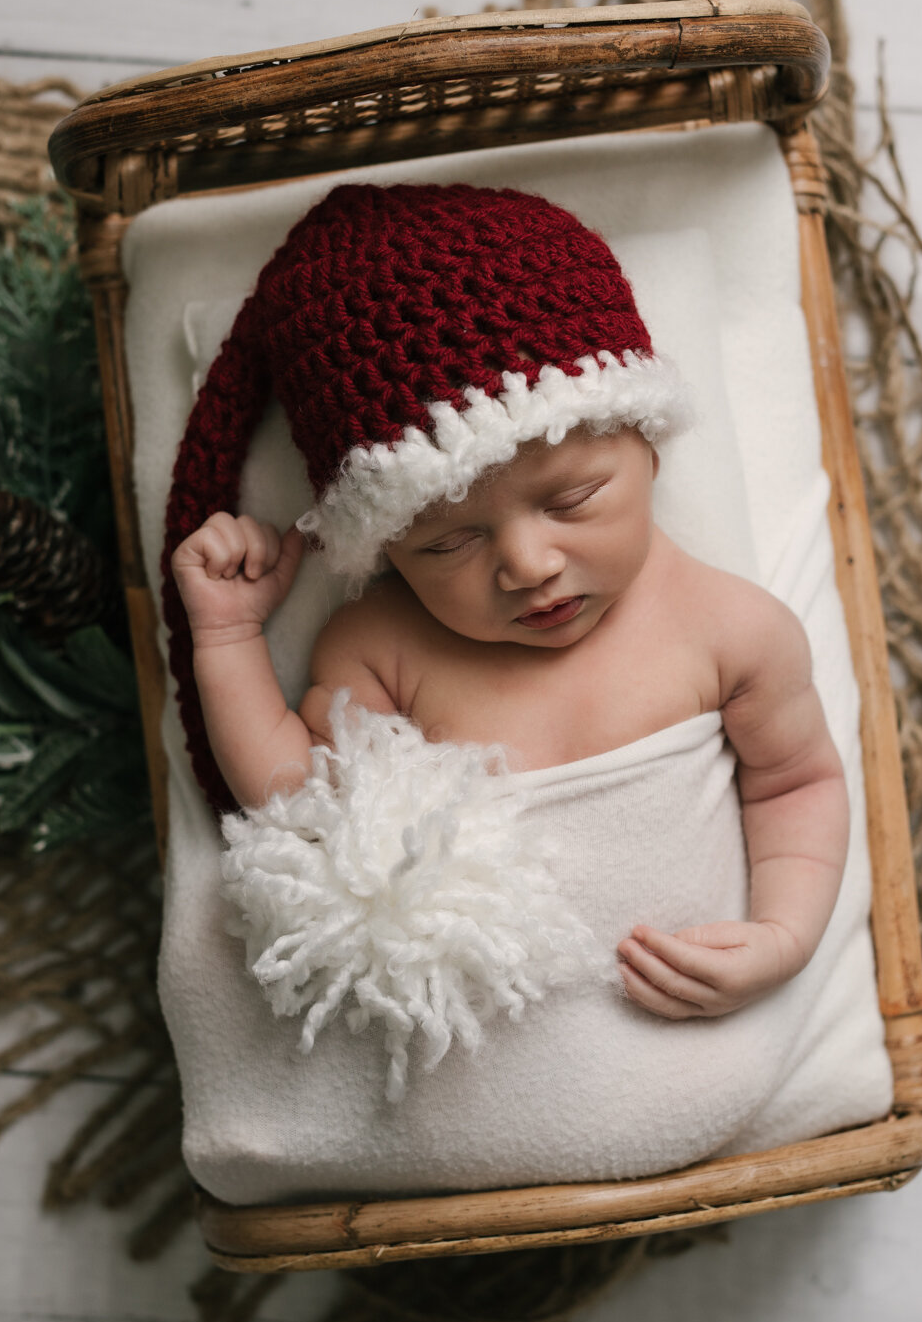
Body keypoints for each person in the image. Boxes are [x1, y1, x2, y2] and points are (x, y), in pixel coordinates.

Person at [161, 182, 850, 1031]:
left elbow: (797, 784)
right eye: (448, 543)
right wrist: (226, 634)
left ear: (649, 444)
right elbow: (297, 807)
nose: (528, 565)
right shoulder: (384, 648)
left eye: (573, 499)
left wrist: (785, 931)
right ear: (383, 548)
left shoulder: (731, 630)